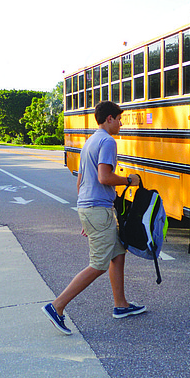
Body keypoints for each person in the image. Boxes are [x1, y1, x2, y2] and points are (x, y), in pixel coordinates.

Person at [43, 100, 145, 335]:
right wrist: (129, 180)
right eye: (119, 119)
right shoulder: (108, 141)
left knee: (118, 254)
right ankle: (57, 306)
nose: (121, 123)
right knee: (98, 264)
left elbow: (81, 181)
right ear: (109, 118)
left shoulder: (90, 140)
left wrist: (86, 216)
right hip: (98, 209)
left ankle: (121, 305)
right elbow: (104, 177)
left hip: (91, 208)